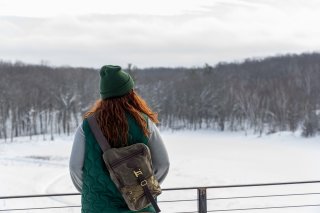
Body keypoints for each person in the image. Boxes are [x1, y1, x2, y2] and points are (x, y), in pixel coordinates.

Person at [69, 65, 170, 213]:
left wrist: (92, 191)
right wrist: (142, 187)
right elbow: (163, 164)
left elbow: (74, 167)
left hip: (98, 207)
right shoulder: (144, 122)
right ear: (130, 93)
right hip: (140, 207)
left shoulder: (87, 126)